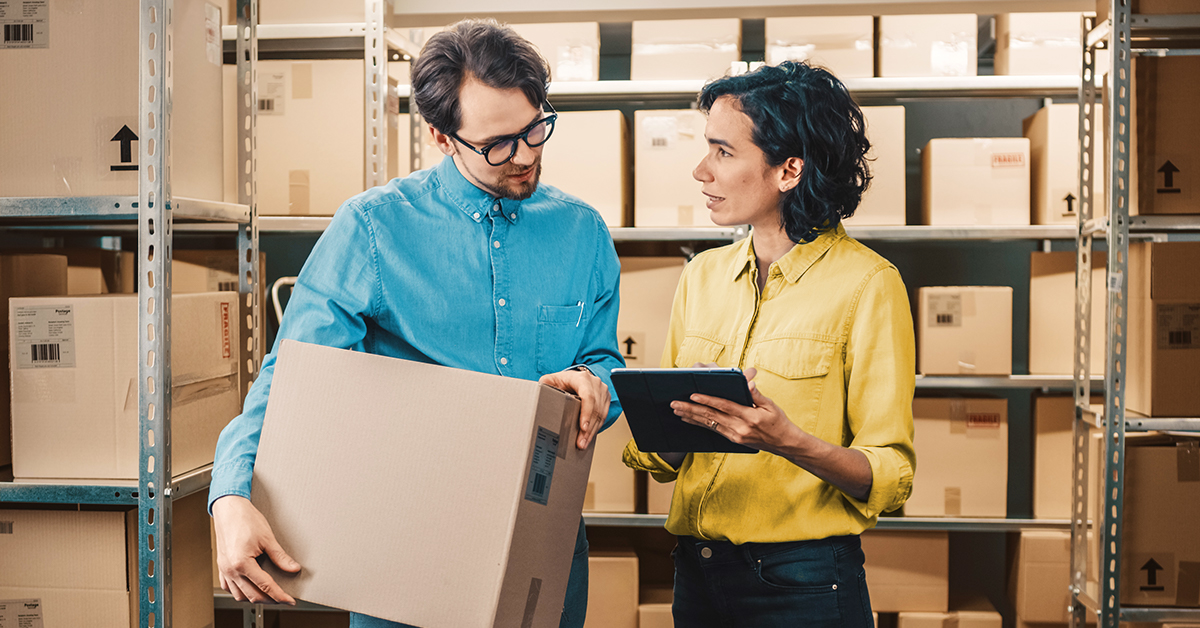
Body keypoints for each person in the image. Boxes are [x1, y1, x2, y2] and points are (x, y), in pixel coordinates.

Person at [208, 19, 624, 628]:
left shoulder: (582, 233)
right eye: (499, 144)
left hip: (546, 541)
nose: (527, 155)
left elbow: (604, 360)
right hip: (407, 554)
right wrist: (230, 496)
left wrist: (595, 384)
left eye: (536, 128)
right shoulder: (373, 230)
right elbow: (291, 382)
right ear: (440, 136)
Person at [623, 60, 916, 628]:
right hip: (697, 573)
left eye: (723, 152)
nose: (700, 171)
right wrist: (681, 421)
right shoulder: (702, 275)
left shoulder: (868, 285)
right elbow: (654, 459)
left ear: (788, 170)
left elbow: (889, 475)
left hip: (802, 583)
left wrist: (788, 441)